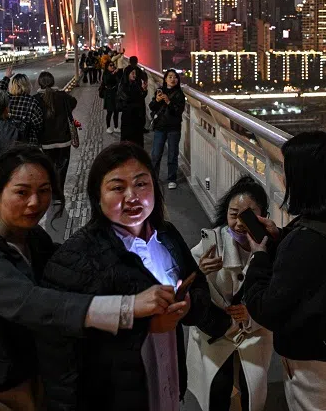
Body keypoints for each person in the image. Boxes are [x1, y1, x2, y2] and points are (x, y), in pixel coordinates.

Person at [0, 146, 181, 410]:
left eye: (44, 191)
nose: (35, 202)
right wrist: (128, 306)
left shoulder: (32, 238)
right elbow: (33, 302)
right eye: (22, 192)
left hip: (37, 375)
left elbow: (75, 270)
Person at [39, 142, 230, 410]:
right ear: (97, 195)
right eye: (117, 187)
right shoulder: (77, 258)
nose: (132, 196)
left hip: (168, 376)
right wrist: (146, 326)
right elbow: (64, 343)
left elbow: (195, 281)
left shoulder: (167, 236)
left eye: (141, 184)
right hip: (117, 395)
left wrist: (188, 307)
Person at [242, 131, 326, 411]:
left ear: (305, 179)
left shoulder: (306, 242)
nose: (284, 179)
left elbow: (267, 309)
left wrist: (260, 256)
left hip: (312, 362)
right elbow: (314, 267)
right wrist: (280, 236)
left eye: (287, 171)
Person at [187, 176, 275, 411]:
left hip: (254, 330)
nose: (238, 223)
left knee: (252, 388)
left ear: (263, 215)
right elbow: (184, 282)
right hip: (217, 330)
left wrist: (252, 312)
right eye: (233, 214)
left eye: (247, 215)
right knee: (218, 387)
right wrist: (200, 271)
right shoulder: (212, 243)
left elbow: (278, 297)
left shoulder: (273, 248)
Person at [34, 71, 78, 188]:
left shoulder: (36, 99)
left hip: (46, 142)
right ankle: (60, 194)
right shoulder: (63, 96)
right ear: (53, 81)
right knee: (62, 172)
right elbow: (73, 102)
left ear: (40, 83)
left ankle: (52, 193)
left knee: (49, 171)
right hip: (64, 140)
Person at [150, 69, 186, 189]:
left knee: (172, 154)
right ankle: (154, 178)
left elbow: (178, 111)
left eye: (175, 77)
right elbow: (152, 107)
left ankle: (172, 178)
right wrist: (156, 100)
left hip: (173, 128)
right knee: (156, 154)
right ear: (165, 79)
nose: (173, 79)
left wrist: (168, 101)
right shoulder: (159, 91)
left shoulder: (179, 94)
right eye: (170, 77)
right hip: (160, 126)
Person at [0, 67, 44, 145]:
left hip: (8, 143)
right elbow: (38, 125)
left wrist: (7, 78)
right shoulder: (32, 102)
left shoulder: (6, 99)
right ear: (27, 85)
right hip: (28, 144)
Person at [118, 65, 150, 148]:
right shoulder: (123, 86)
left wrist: (144, 90)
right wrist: (140, 94)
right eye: (132, 73)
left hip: (137, 117)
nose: (134, 75)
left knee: (138, 141)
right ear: (127, 74)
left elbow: (140, 97)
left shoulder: (135, 84)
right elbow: (129, 99)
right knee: (128, 141)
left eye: (135, 73)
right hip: (128, 118)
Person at [101, 60, 123, 134]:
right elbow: (107, 81)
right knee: (109, 111)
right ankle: (108, 127)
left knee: (116, 111)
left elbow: (119, 80)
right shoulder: (106, 74)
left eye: (113, 65)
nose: (112, 66)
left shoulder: (115, 73)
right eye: (110, 65)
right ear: (107, 67)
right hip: (109, 94)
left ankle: (116, 126)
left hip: (115, 94)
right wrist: (113, 73)